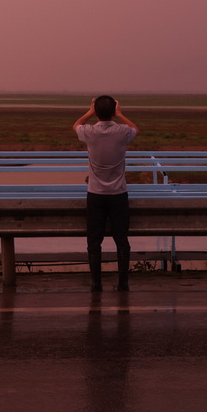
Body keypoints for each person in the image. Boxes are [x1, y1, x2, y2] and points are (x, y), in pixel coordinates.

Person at [72, 95, 139, 293]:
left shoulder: (89, 132)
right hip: (118, 194)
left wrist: (90, 112)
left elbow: (75, 124)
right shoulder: (122, 131)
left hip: (95, 194)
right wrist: (120, 115)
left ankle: (96, 283)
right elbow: (137, 129)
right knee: (121, 238)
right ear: (113, 111)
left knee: (94, 240)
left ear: (96, 111)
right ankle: (123, 283)